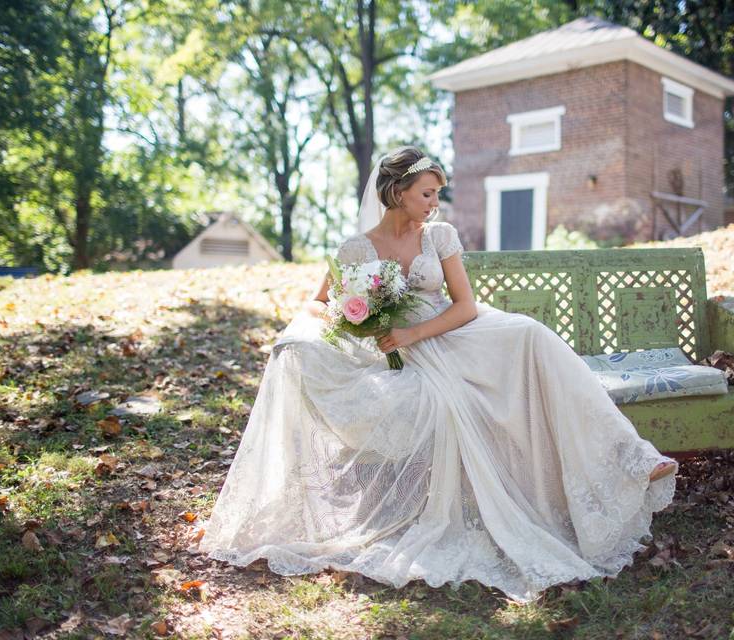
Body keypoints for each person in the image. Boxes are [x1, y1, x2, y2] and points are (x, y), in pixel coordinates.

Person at [195, 146, 679, 603]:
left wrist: (415, 332)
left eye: (436, 194)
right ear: (396, 192)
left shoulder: (439, 235)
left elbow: (466, 305)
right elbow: (318, 302)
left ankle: (630, 456)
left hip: (454, 331)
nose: (434, 202)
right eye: (426, 193)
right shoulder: (356, 250)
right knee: (446, 403)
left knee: (532, 334)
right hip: (402, 347)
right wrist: (353, 319)